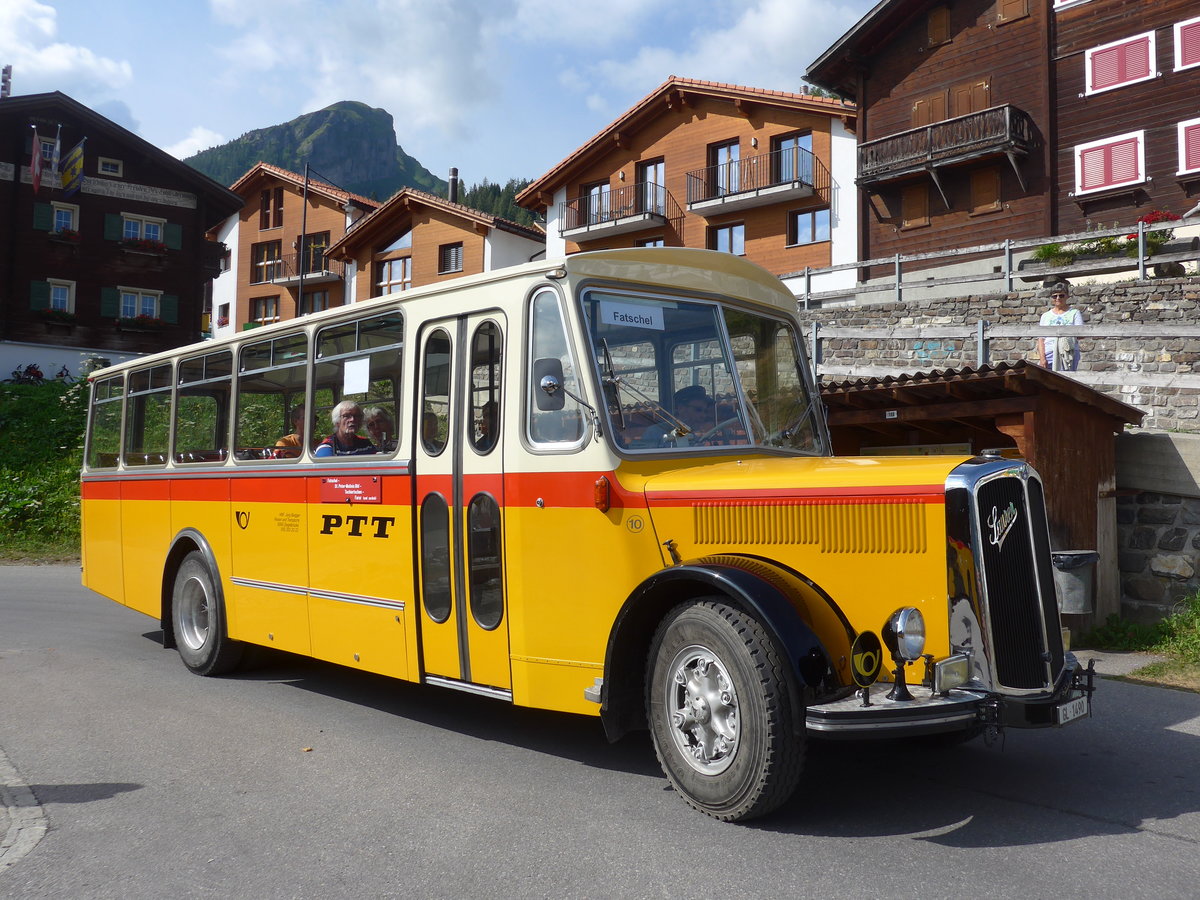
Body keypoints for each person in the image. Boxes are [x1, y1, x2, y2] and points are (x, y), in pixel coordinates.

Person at [642, 385, 718, 447]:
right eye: (698, 410)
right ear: (681, 408)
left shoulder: (696, 439)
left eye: (705, 411)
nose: (703, 415)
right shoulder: (654, 433)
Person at [1038, 281, 1083, 372]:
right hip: (1049, 352)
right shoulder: (1045, 316)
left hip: (1067, 352)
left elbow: (1081, 334)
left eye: (1061, 295)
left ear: (1067, 296)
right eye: (1055, 296)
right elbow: (1041, 339)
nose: (1058, 298)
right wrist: (1042, 358)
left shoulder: (1074, 313)